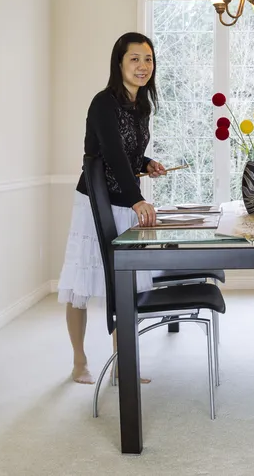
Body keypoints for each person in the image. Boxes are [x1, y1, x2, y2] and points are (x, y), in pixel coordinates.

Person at [57, 32, 166, 384]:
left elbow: (128, 153)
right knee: (81, 281)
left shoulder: (141, 105)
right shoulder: (104, 102)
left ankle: (123, 366)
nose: (142, 66)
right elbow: (112, 153)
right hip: (96, 201)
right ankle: (79, 362)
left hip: (124, 202)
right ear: (119, 62)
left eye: (148, 59)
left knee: (126, 284)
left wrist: (146, 162)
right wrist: (138, 198)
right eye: (134, 58)